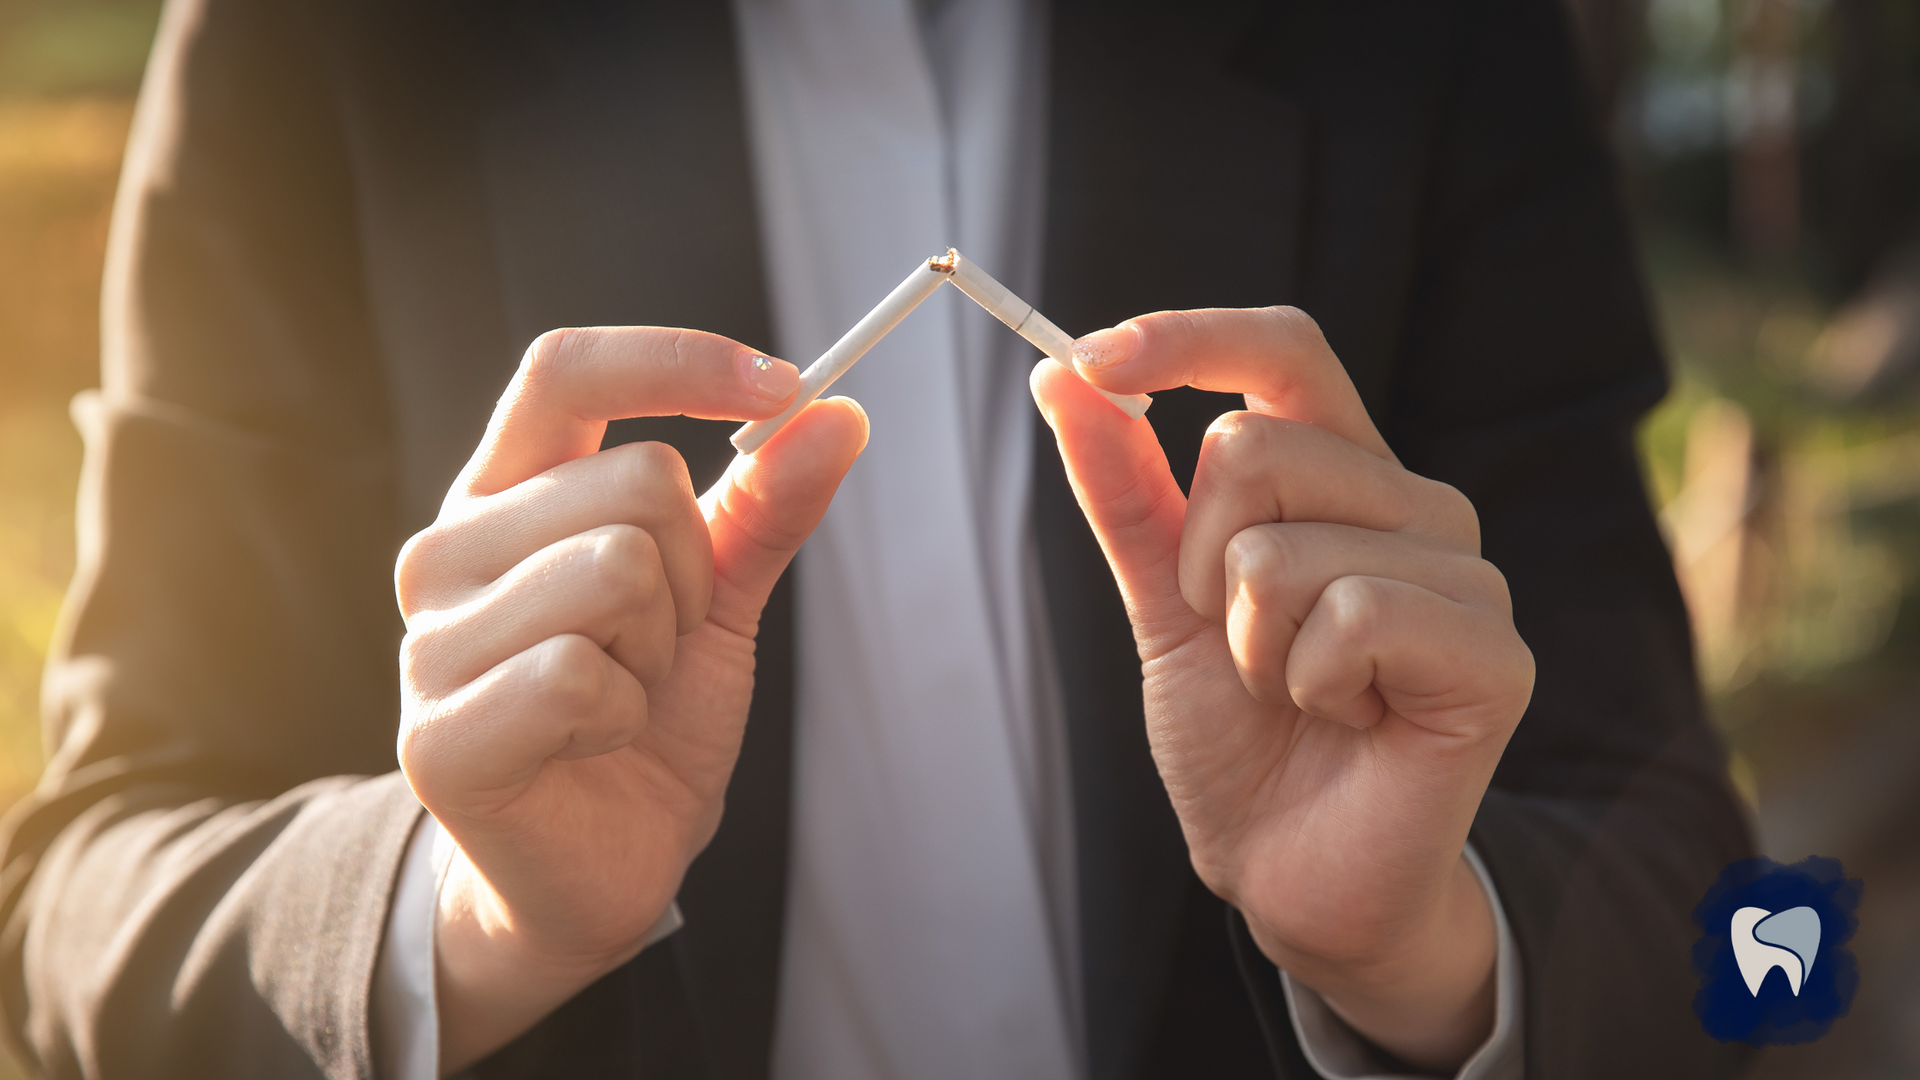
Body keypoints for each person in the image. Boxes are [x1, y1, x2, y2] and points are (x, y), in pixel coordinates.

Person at [0, 0, 1753, 1077]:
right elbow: (78, 903)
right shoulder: (319, 37)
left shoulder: (1426, 36)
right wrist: (462, 913)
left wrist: (1426, 944)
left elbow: (1724, 919)